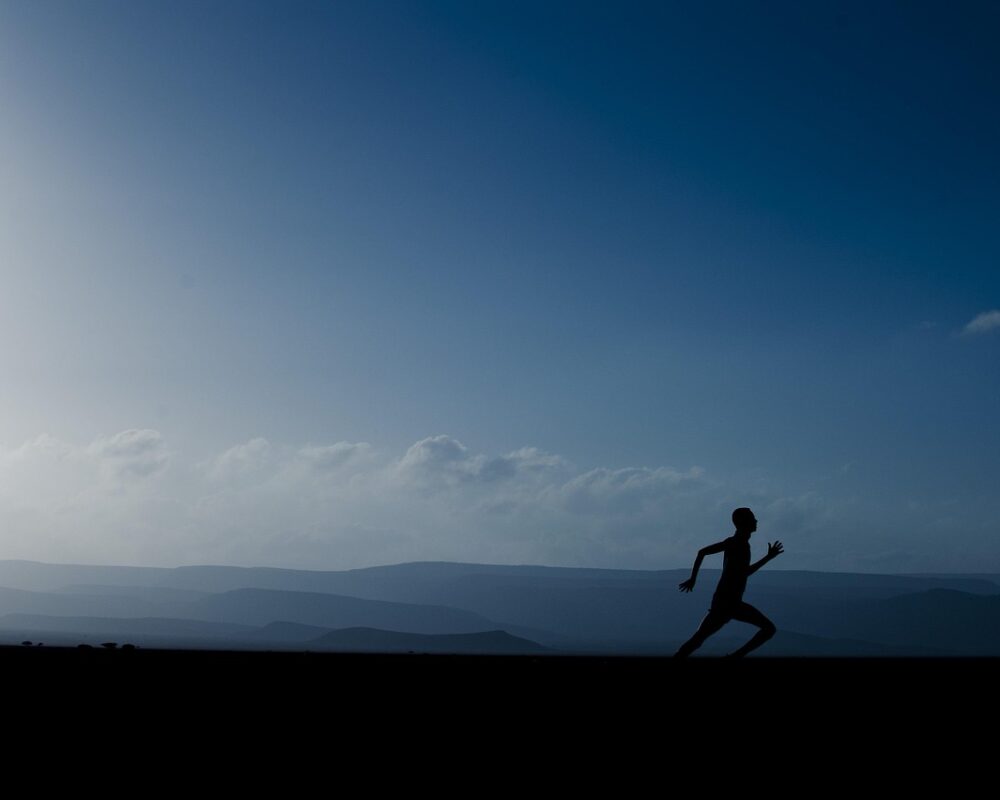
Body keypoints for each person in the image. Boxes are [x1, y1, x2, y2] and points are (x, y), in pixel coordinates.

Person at [674, 507, 783, 658]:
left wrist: (693, 579)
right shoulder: (737, 543)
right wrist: (768, 558)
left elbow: (703, 553)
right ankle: (735, 657)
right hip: (728, 603)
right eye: (752, 518)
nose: (756, 521)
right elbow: (743, 572)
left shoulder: (737, 543)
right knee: (769, 629)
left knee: (698, 639)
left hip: (725, 601)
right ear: (744, 522)